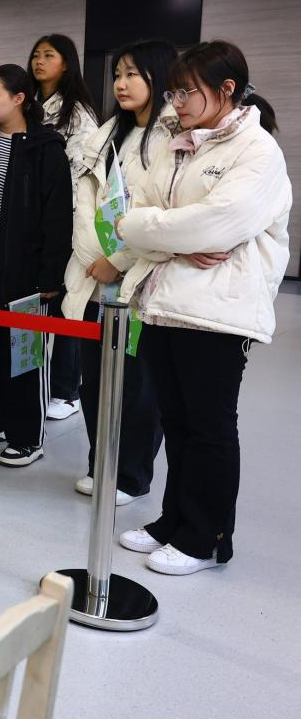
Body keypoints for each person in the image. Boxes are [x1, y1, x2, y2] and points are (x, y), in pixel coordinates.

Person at [116, 40, 288, 576]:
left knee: (209, 427)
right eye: (173, 92)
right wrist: (172, 240)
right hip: (164, 301)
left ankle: (207, 538)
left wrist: (160, 232)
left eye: (186, 91)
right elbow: (129, 216)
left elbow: (216, 224)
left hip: (217, 310)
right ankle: (175, 520)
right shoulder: (178, 143)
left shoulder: (257, 150)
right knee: (176, 420)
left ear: (227, 89)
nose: (177, 102)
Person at [64, 39, 175, 505]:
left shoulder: (173, 137)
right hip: (94, 274)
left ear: (159, 77)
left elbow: (166, 215)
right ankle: (101, 464)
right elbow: (85, 204)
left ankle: (130, 475)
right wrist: (96, 257)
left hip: (139, 276)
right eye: (117, 75)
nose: (121, 84)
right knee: (95, 381)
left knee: (137, 385)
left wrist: (120, 261)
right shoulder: (108, 134)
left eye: (133, 74)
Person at [0, 64, 72, 467]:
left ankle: (26, 436)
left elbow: (57, 215)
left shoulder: (46, 147)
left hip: (25, 260)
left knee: (24, 353)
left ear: (19, 98)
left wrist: (51, 273)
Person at [29, 34, 99, 422]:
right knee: (35, 306)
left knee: (67, 307)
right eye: (36, 55)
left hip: (66, 220)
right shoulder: (29, 103)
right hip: (31, 219)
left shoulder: (77, 113)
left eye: (49, 55)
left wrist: (53, 213)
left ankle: (67, 389)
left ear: (66, 63)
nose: (39, 61)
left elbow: (80, 174)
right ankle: (33, 383)